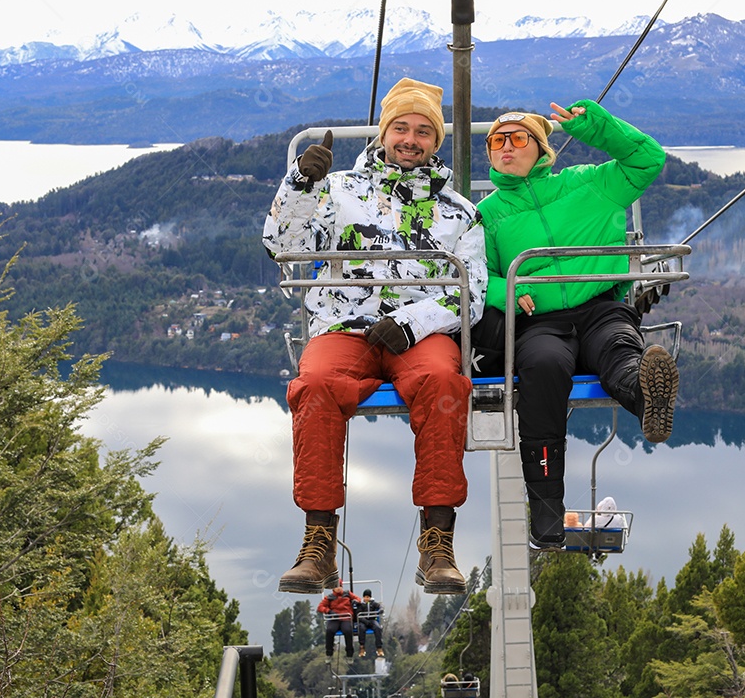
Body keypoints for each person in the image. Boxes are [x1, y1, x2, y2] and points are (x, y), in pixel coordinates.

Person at [263, 77, 487, 595]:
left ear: (437, 141)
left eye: (424, 131)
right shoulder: (338, 191)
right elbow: (284, 246)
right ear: (384, 134)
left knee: (442, 382)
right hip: (346, 322)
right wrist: (299, 185)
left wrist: (411, 323)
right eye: (401, 128)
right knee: (314, 384)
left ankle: (437, 541)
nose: (411, 140)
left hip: (419, 329)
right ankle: (317, 542)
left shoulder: (459, 213)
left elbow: (470, 291)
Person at [475, 100, 679, 551]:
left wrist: (597, 128)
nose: (506, 147)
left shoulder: (590, 184)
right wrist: (499, 291)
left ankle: (648, 395)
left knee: (617, 347)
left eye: (518, 138)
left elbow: (648, 159)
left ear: (543, 148)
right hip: (537, 321)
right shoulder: (487, 215)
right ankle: (546, 517)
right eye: (497, 141)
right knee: (543, 370)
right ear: (490, 154)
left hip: (599, 306)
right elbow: (476, 271)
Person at [318, 582, 361, 660]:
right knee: (330, 630)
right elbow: (320, 607)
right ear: (333, 588)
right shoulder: (330, 597)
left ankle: (349, 653)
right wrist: (328, 611)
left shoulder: (347, 594)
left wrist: (356, 601)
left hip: (346, 617)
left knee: (347, 631)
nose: (338, 588)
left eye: (340, 586)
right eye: (336, 586)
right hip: (335, 618)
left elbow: (358, 599)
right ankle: (329, 652)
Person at [354, 588, 384, 658]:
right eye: (365, 597)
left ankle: (379, 647)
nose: (366, 598)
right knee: (361, 629)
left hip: (372, 620)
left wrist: (381, 609)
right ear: (363, 597)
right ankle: (362, 647)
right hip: (363, 621)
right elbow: (358, 615)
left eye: (368, 597)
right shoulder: (360, 605)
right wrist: (366, 621)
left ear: (370, 597)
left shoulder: (373, 603)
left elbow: (380, 606)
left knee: (378, 628)